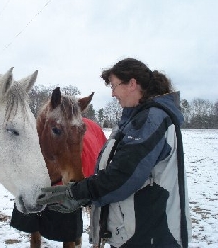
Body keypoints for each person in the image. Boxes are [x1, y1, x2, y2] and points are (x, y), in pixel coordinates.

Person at [37, 58, 192, 248]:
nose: (112, 94)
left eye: (114, 86)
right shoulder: (137, 120)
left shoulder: (150, 120)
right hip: (137, 231)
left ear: (132, 84)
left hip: (149, 236)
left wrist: (75, 193)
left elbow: (122, 176)